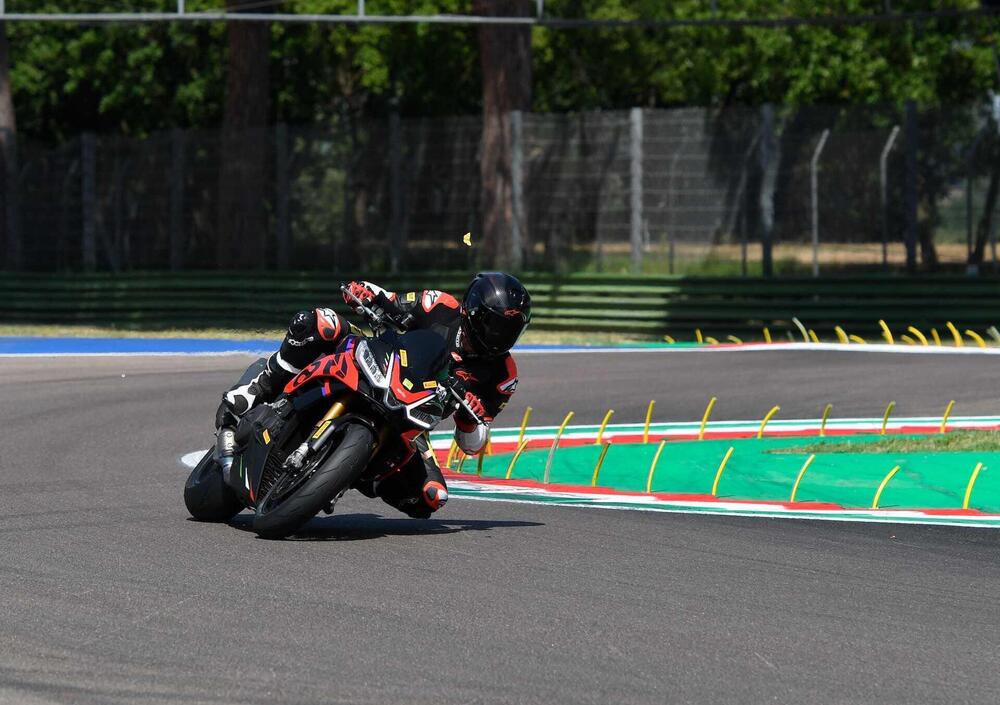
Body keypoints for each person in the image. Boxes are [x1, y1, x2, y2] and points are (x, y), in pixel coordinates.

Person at [214, 272, 531, 519]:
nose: (500, 336)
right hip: (380, 364)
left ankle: (352, 473)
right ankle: (254, 390)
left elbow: (472, 444)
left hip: (415, 421)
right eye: (495, 325)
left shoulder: (503, 375)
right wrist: (365, 293)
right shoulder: (439, 306)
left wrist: (469, 421)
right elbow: (389, 300)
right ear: (472, 312)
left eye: (510, 329)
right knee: (321, 323)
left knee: (431, 496)